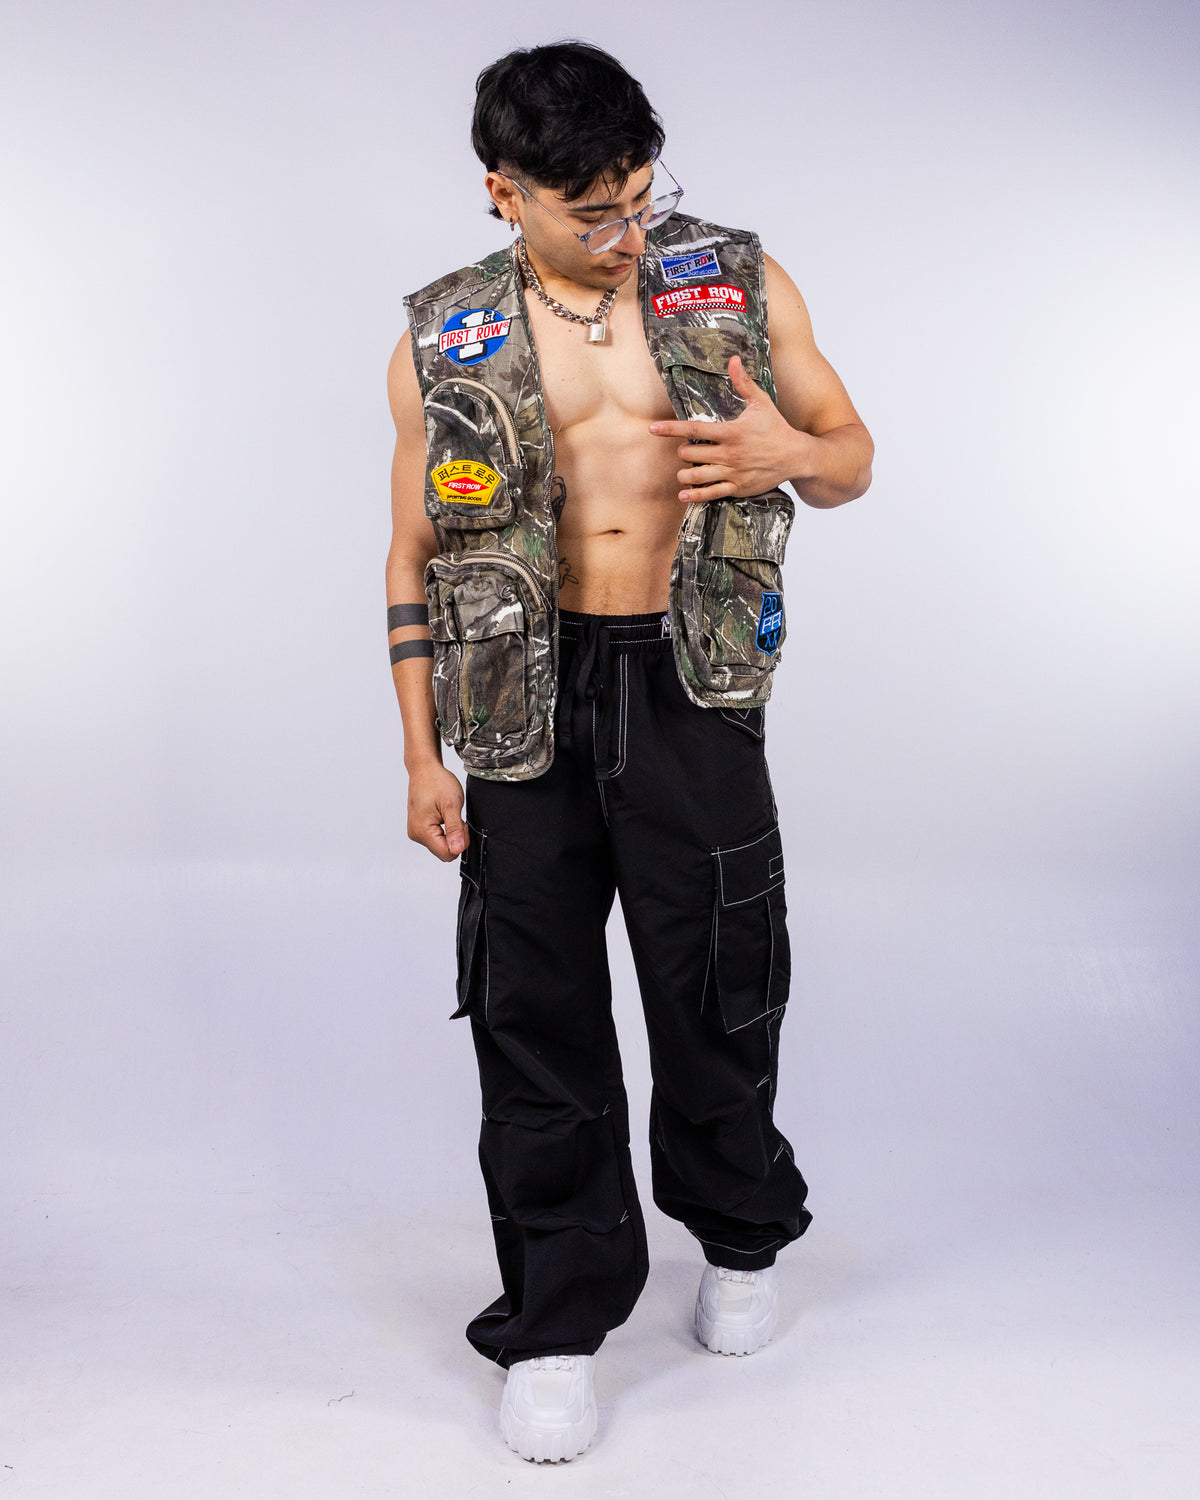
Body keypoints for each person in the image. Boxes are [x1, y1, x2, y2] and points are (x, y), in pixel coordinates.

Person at [385, 42, 872, 1464]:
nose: (625, 232)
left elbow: (853, 455)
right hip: (519, 697)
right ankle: (555, 1320)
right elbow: (411, 553)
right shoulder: (443, 335)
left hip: (689, 683)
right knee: (532, 1006)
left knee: (720, 977)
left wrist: (788, 451)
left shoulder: (735, 279)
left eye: (640, 198)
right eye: (590, 211)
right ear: (505, 191)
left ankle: (739, 1235)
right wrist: (419, 756)